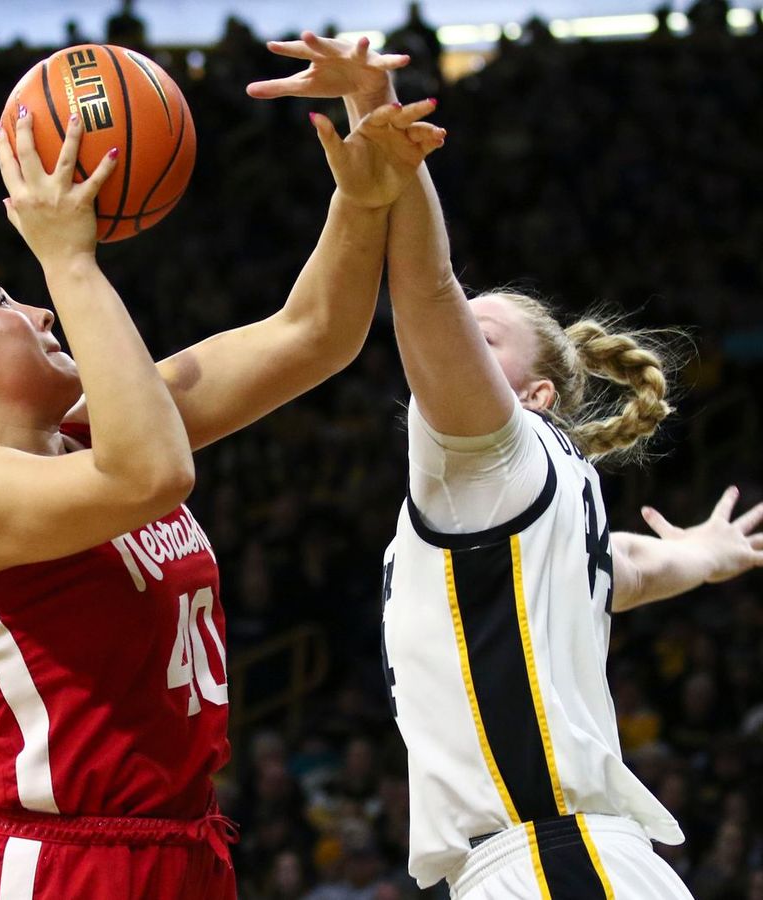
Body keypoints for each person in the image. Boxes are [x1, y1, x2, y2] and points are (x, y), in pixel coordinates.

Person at [0, 96, 443, 897]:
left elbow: (315, 334)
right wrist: (68, 261)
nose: (35, 309)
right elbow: (153, 476)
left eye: (25, 291)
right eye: (1, 302)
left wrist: (361, 196)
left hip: (183, 845)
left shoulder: (99, 431)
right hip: (61, 861)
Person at [248, 32, 763, 898]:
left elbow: (428, 290)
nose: (457, 349)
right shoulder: (516, 511)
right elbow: (629, 568)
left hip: (551, 862)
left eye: (484, 343)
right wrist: (708, 557)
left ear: (535, 395)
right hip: (560, 862)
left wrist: (377, 119)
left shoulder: (500, 458)